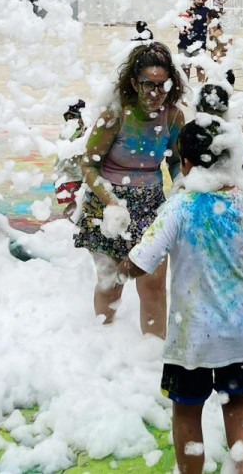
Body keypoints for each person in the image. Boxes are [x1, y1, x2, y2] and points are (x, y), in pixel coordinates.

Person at [118, 120, 243, 474]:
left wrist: (119, 263)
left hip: (192, 337)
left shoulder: (180, 208)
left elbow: (141, 262)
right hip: (238, 331)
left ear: (186, 165)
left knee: (186, 409)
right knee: (237, 400)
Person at [75, 42, 185, 336]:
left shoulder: (173, 117)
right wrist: (111, 202)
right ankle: (103, 344)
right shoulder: (116, 115)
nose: (155, 93)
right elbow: (88, 165)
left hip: (151, 205)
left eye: (163, 86)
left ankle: (152, 359)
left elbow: (176, 161)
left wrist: (181, 186)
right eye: (149, 85)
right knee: (111, 284)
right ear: (135, 83)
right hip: (107, 208)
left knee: (153, 284)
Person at [55, 100, 87, 213]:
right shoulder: (71, 132)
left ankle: (69, 222)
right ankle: (69, 223)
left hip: (70, 176)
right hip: (70, 177)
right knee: (76, 205)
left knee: (77, 204)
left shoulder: (74, 131)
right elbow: (77, 148)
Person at [179, 0, 213, 83]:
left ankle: (201, 88)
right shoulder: (185, 10)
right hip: (184, 44)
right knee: (185, 69)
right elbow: (177, 23)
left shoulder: (206, 11)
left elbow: (212, 25)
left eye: (202, 0)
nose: (201, 1)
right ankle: (185, 90)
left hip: (199, 45)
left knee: (200, 69)